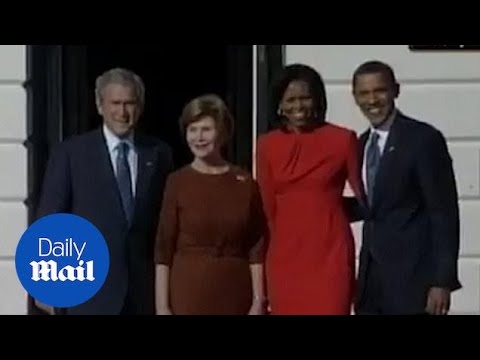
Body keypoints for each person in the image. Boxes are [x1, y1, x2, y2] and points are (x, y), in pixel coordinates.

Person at [33, 68, 174, 315]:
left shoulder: (158, 154)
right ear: (100, 106)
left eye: (130, 103)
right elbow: (51, 219)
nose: (122, 112)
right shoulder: (71, 154)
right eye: (115, 103)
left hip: (142, 294)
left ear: (140, 107)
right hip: (88, 293)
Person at [351, 60, 461, 315]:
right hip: (372, 282)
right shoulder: (360, 145)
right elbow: (369, 206)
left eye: (380, 90)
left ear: (395, 91)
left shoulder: (422, 139)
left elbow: (443, 213)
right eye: (364, 93)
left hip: (414, 282)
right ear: (355, 97)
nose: (372, 100)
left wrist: (441, 281)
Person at [255, 63, 365, 315]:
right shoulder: (266, 145)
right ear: (279, 104)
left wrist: (332, 208)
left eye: (305, 98)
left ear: (317, 100)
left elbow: (365, 196)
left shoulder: (343, 139)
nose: (298, 106)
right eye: (290, 100)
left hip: (330, 253)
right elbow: (266, 206)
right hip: (284, 255)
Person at [154, 94, 267, 315]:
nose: (199, 137)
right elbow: (163, 248)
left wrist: (257, 301)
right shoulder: (177, 182)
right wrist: (162, 307)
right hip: (189, 292)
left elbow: (256, 246)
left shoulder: (244, 182)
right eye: (192, 130)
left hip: (235, 292)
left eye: (206, 129)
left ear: (223, 132)